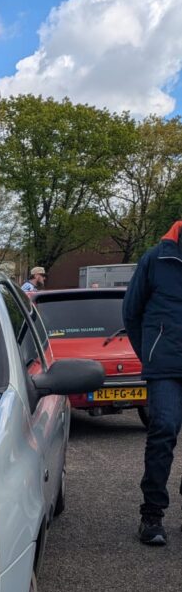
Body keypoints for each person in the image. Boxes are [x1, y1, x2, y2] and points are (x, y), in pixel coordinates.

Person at [123, 219, 182, 546]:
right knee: (163, 430)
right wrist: (150, 354)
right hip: (165, 366)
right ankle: (152, 515)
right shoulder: (156, 259)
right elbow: (131, 312)